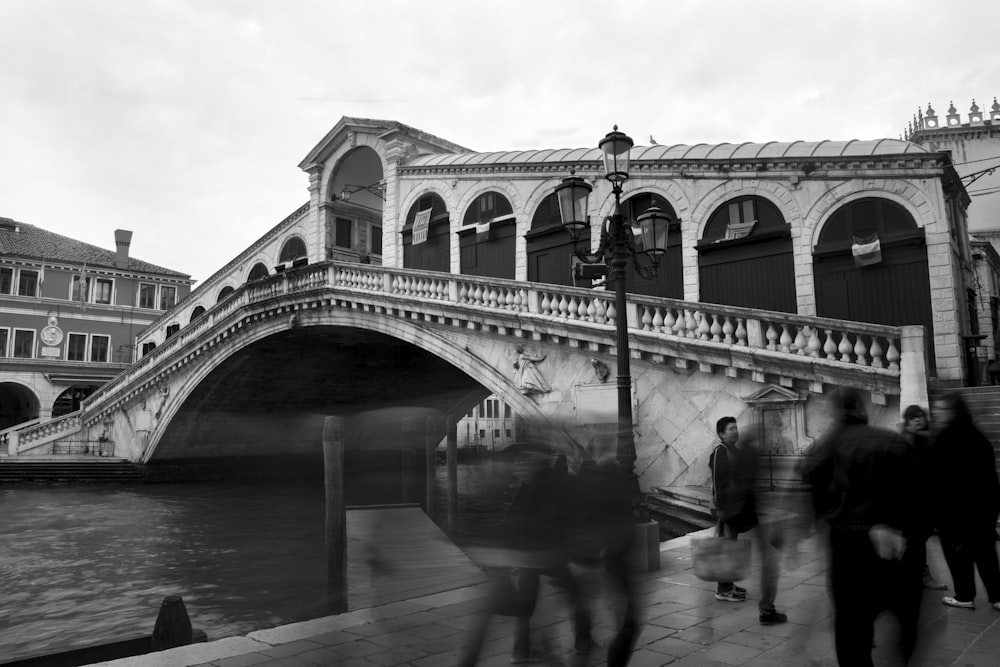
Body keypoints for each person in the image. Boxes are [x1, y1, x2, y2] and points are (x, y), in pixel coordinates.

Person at [803, 388, 926, 666]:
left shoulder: (823, 448)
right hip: (892, 540)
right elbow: (918, 497)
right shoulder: (893, 442)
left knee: (850, 624)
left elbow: (816, 502)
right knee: (903, 609)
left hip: (846, 544)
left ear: (835, 412)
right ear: (861, 408)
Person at [708, 416, 786, 624]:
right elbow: (718, 482)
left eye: (736, 428)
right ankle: (723, 588)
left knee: (731, 547)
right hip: (729, 509)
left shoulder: (736, 451)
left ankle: (728, 585)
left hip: (740, 509)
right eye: (731, 429)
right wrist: (721, 508)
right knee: (727, 548)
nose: (735, 431)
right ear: (721, 434)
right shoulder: (720, 452)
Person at [930, 392, 1000, 611]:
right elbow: (990, 476)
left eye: (940, 409)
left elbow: (939, 479)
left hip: (955, 512)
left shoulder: (944, 438)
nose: (935, 413)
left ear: (953, 411)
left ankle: (964, 595)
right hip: (983, 509)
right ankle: (997, 596)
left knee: (958, 555)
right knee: (986, 555)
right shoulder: (978, 436)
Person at [901, 404, 947, 590]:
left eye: (920, 416)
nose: (918, 420)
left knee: (917, 541)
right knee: (915, 542)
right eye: (913, 417)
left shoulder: (930, 439)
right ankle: (919, 575)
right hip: (910, 501)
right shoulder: (904, 441)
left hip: (925, 500)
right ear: (908, 421)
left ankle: (918, 574)